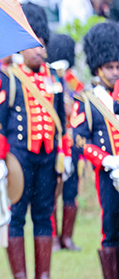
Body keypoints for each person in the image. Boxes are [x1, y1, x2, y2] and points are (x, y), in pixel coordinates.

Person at [0, 3, 65, 279]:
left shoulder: (54, 78)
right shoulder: (9, 78)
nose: (39, 50)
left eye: (42, 43)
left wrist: (63, 155)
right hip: (19, 156)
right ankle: (21, 278)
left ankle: (42, 277)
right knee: (17, 214)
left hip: (48, 156)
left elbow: (62, 121)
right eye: (33, 44)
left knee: (44, 213)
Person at [71, 21, 119, 279]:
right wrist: (106, 160)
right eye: (109, 67)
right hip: (108, 173)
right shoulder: (87, 100)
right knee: (111, 226)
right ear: (98, 68)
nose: (115, 72)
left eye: (118, 66)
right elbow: (79, 139)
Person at [46, 33, 82, 251]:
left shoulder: (74, 82)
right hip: (55, 141)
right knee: (51, 190)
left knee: (71, 191)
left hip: (72, 143)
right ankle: (52, 237)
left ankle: (66, 237)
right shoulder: (50, 79)